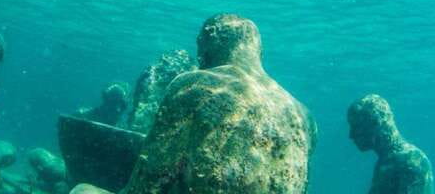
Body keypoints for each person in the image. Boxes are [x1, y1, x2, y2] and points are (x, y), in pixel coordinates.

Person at [118, 14, 315, 194]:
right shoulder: (305, 117)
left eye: (199, 45)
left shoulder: (195, 85)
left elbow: (151, 177)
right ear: (258, 50)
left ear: (209, 41)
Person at [347, 94, 435, 194]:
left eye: (356, 126)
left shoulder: (410, 161)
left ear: (376, 123)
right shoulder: (389, 161)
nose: (351, 135)